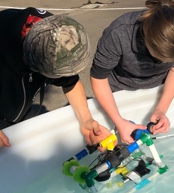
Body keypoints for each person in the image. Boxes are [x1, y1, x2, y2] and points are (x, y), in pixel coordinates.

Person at [90, 0, 174, 144]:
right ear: (146, 40)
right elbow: (98, 78)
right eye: (162, 59)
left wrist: (161, 109)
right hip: (118, 90)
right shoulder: (119, 33)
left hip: (158, 87)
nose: (165, 64)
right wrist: (119, 121)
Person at [0, 8, 110, 149]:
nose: (62, 78)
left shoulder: (58, 31)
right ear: (31, 62)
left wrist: (86, 119)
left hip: (21, 112)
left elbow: (70, 82)